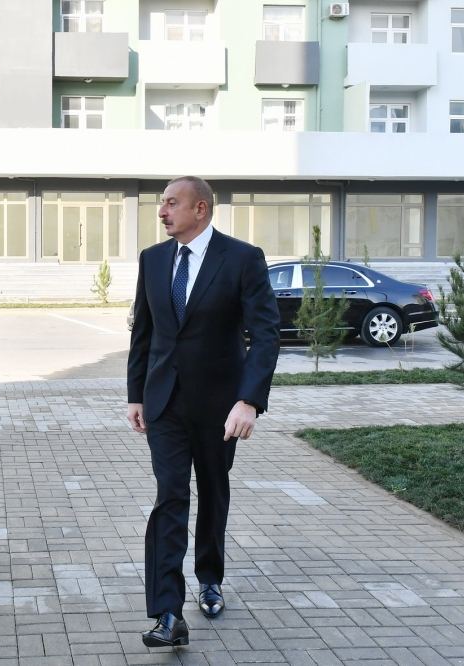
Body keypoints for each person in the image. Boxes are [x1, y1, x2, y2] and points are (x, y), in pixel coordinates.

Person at [127, 176, 280, 647]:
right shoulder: (152, 260)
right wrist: (136, 395)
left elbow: (266, 334)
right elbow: (144, 333)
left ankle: (209, 576)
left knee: (213, 491)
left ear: (201, 209)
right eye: (161, 204)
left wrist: (249, 400)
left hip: (220, 408)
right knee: (170, 497)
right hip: (165, 405)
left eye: (171, 203)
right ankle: (168, 613)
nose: (162, 212)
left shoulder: (241, 259)